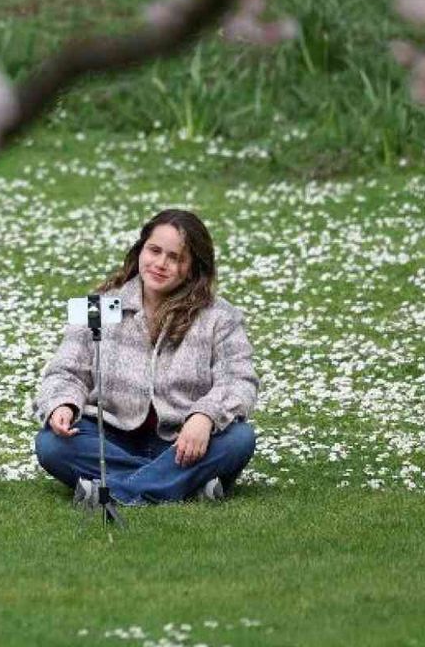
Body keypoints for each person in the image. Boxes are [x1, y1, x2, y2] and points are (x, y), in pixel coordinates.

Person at [32, 208, 258, 505]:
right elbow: (65, 371)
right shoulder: (100, 305)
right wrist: (62, 404)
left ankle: (116, 492)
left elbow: (240, 380)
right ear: (140, 250)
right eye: (154, 250)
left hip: (184, 442)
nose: (161, 263)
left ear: (192, 267)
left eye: (175, 257)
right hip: (110, 438)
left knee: (240, 439)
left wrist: (204, 417)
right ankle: (183, 485)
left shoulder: (219, 316)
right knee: (50, 444)